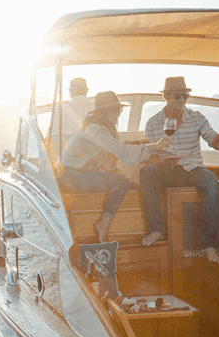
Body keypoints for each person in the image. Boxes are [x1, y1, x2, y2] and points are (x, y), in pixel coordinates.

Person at [140, 77, 219, 264]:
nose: (181, 100)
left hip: (193, 168)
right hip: (168, 171)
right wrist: (160, 161)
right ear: (166, 96)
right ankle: (156, 229)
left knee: (212, 182)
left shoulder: (197, 117)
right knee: (147, 172)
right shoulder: (153, 122)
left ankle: (209, 244)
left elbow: (214, 138)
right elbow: (149, 152)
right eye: (177, 96)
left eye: (185, 96)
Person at [61, 91, 169, 241]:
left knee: (131, 185)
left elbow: (110, 154)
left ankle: (144, 230)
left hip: (77, 173)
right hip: (74, 178)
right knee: (122, 181)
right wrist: (154, 147)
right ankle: (103, 224)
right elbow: (121, 152)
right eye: (114, 110)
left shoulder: (98, 126)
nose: (118, 113)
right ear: (103, 111)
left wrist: (142, 152)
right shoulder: (97, 130)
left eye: (119, 109)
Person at [50, 77, 93, 154]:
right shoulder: (97, 107)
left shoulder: (59, 110)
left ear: (70, 92)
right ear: (87, 90)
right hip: (93, 157)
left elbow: (52, 137)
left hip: (67, 157)